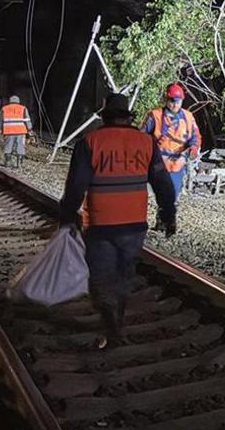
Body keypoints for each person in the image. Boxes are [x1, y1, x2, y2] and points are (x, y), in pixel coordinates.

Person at [59, 93, 176, 348]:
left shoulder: (90, 142)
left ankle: (111, 326)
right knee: (124, 274)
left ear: (105, 117)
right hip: (134, 224)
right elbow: (163, 184)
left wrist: (67, 218)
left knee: (100, 275)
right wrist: (169, 215)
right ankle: (116, 322)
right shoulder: (146, 142)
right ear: (127, 117)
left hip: (100, 224)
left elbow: (76, 187)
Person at [141, 82, 201, 210]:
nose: (175, 104)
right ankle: (162, 221)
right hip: (158, 163)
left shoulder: (188, 117)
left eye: (178, 101)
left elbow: (195, 138)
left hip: (178, 163)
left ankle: (168, 223)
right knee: (161, 195)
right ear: (166, 100)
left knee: (173, 197)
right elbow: (141, 137)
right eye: (172, 101)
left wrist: (193, 149)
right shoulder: (155, 115)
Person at [0, 95, 32, 168]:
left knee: (8, 146)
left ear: (10, 101)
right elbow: (27, 120)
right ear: (18, 101)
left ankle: (7, 162)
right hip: (21, 131)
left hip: (9, 131)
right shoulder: (23, 108)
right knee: (20, 146)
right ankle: (19, 164)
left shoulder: (4, 108)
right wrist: (29, 129)